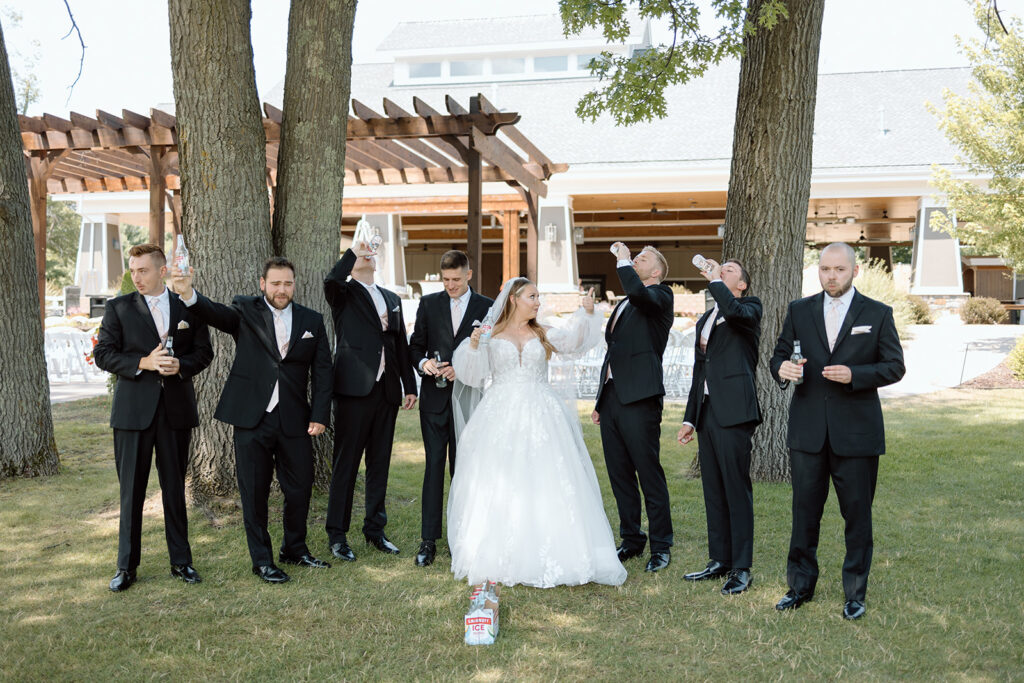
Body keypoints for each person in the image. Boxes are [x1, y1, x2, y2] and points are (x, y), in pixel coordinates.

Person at [447, 278, 626, 588]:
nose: (538, 302)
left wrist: (586, 315)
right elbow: (472, 375)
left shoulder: (542, 333)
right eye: (532, 296)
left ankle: (558, 548)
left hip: (542, 412)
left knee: (548, 475)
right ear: (514, 299)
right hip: (499, 413)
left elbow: (574, 343)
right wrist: (475, 346)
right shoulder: (492, 334)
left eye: (538, 296)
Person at [171, 257, 333, 584]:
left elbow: (324, 371)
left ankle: (295, 549)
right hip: (250, 419)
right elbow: (214, 313)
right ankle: (262, 561)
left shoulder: (312, 320)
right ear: (263, 283)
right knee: (254, 492)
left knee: (300, 488)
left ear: (294, 284)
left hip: (295, 420)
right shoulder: (245, 310)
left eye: (287, 283)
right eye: (275, 283)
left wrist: (319, 415)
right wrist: (189, 294)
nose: (281, 289)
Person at [770, 242, 905, 620]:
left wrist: (855, 375)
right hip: (808, 432)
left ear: (854, 271)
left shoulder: (877, 314)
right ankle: (799, 587)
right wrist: (783, 369)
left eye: (839, 270)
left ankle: (855, 593)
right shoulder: (799, 310)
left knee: (857, 516)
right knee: (804, 514)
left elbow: (894, 366)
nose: (831, 276)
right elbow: (779, 355)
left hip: (857, 434)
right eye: (825, 269)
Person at [93, 243, 213, 592]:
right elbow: (102, 354)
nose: (136, 276)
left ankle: (182, 562)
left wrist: (181, 366)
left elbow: (204, 353)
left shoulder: (188, 306)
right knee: (131, 491)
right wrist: (141, 363)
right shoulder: (119, 308)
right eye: (133, 270)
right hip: (132, 414)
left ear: (162, 271)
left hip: (175, 410)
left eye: (143, 270)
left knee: (175, 488)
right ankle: (126, 568)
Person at [324, 242, 417, 561]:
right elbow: (331, 280)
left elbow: (400, 342)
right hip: (353, 389)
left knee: (379, 464)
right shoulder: (343, 293)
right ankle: (337, 535)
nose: (368, 258)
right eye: (359, 258)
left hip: (387, 391)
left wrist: (409, 384)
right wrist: (351, 252)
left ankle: (375, 530)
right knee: (346, 464)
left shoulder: (391, 298)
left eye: (369, 255)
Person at [677, 259, 762, 595]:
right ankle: (719, 560)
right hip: (708, 412)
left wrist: (715, 282)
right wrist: (689, 417)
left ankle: (741, 568)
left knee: (736, 490)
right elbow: (700, 370)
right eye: (719, 269)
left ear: (742, 284)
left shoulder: (748, 308)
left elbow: (736, 312)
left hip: (735, 411)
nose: (721, 272)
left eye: (729, 271)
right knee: (712, 488)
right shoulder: (706, 318)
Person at [592, 243, 675, 573]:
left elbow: (640, 295)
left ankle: (662, 545)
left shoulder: (660, 296)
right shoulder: (627, 302)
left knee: (648, 471)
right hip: (613, 397)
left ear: (655, 272)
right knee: (619, 473)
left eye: (642, 259)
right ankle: (631, 538)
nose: (634, 261)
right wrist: (602, 398)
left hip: (641, 397)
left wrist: (623, 261)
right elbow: (613, 351)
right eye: (634, 257)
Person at [407, 250, 493, 567]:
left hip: (469, 401)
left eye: (456, 279)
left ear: (468, 275)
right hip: (433, 401)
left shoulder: (486, 307)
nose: (451, 285)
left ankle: (463, 537)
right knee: (433, 470)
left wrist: (466, 369)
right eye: (445, 280)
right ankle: (428, 541)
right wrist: (423, 363)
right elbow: (415, 345)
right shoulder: (429, 304)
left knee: (464, 469)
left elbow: (492, 352)